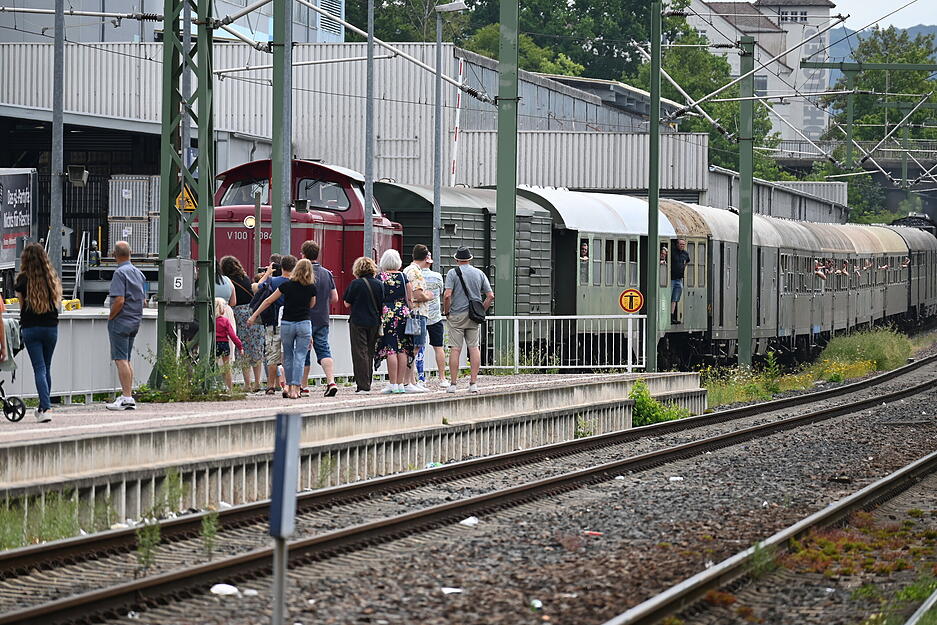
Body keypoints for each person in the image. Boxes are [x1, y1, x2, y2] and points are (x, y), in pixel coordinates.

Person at [249, 258, 316, 399]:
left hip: (286, 324)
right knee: (300, 356)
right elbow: (311, 305)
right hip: (303, 324)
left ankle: (289, 387)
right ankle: (296, 389)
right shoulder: (311, 288)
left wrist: (254, 316)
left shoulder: (286, 285)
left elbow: (268, 300)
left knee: (288, 357)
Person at [15, 243, 61, 422]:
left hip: (31, 328)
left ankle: (46, 408)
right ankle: (44, 407)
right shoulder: (51, 278)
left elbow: (22, 306)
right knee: (46, 368)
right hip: (50, 328)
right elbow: (56, 302)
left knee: (39, 369)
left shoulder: (22, 280)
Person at [443, 246, 493, 393]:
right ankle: (473, 384)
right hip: (473, 316)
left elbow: (447, 295)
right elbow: (490, 295)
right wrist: (481, 311)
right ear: (470, 259)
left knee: (455, 349)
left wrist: (447, 311)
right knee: (474, 348)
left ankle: (453, 384)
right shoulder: (479, 273)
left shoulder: (452, 273)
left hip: (457, 316)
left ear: (457, 259)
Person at [106, 241, 147, 410]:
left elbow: (119, 300)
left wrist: (111, 317)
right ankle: (128, 395)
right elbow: (143, 300)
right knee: (127, 359)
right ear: (130, 253)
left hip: (121, 321)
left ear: (114, 255)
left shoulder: (119, 274)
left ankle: (127, 397)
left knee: (120, 359)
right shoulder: (139, 273)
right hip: (135, 320)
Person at [300, 240, 339, 397]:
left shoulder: (302, 273)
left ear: (303, 255)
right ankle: (331, 382)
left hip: (304, 318)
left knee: (304, 353)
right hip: (322, 318)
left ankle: (304, 386)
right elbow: (334, 298)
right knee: (324, 350)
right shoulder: (327, 273)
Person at [221, 255, 265, 393]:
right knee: (256, 349)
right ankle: (258, 382)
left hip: (239, 315)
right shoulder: (245, 279)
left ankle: (248, 383)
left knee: (243, 349)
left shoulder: (228, 281)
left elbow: (232, 302)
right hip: (253, 313)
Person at [408, 245, 448, 389]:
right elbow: (442, 292)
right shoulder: (437, 276)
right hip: (434, 316)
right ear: (428, 260)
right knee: (438, 347)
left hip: (416, 315)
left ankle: (419, 378)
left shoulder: (409, 272)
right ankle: (442, 378)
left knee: (416, 347)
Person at [375, 249, 414, 394]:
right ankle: (400, 384)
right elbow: (410, 299)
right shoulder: (404, 277)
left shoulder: (380, 277)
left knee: (391, 348)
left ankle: (392, 384)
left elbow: (378, 298)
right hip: (403, 313)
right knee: (402, 348)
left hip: (387, 314)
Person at [342, 256, 383, 393]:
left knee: (359, 352)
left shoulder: (356, 284)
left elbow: (347, 303)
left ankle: (363, 385)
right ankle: (368, 381)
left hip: (358, 321)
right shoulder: (379, 284)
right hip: (374, 322)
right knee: (369, 352)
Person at [255, 254, 292, 395]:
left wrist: (267, 274)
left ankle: (270, 386)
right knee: (289, 355)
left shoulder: (272, 281)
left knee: (272, 356)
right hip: (291, 322)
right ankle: (291, 385)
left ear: (281, 267)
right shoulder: (296, 282)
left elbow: (259, 287)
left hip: (273, 322)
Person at [402, 244, 434, 393]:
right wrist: (429, 296)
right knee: (414, 347)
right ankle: (407, 382)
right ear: (426, 257)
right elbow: (417, 294)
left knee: (411, 347)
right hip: (417, 313)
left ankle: (412, 381)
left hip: (411, 313)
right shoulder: (415, 272)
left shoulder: (408, 269)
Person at [215, 297, 244, 392]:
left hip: (214, 344)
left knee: (213, 365)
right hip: (224, 344)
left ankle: (214, 385)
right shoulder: (225, 321)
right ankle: (230, 388)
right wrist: (240, 346)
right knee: (227, 367)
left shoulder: (210, 321)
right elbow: (232, 335)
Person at [671, 239, 690, 324]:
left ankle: (672, 316)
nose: (682, 246)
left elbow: (687, 261)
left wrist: (682, 268)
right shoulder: (672, 252)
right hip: (671, 279)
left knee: (675, 299)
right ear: (677, 244)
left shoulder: (685, 254)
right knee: (669, 297)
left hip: (679, 279)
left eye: (683, 244)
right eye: (681, 244)